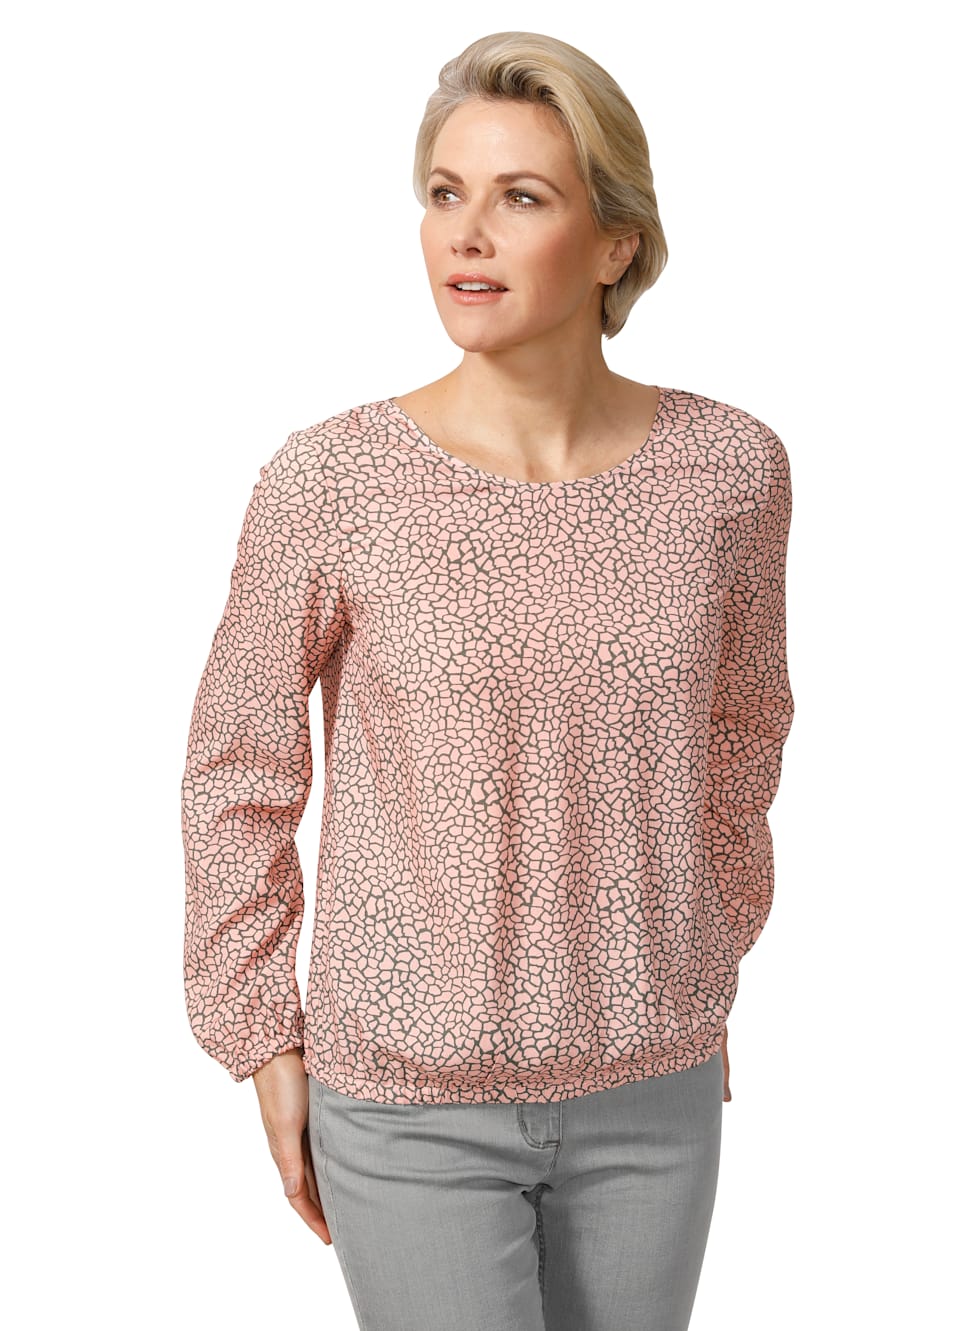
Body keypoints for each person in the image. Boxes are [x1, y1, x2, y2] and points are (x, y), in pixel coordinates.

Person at [180, 29, 795, 1331]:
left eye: (521, 198)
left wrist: (695, 973)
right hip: (409, 1102)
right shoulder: (334, 481)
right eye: (445, 194)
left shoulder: (730, 472)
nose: (467, 234)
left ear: (616, 242)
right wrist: (261, 1033)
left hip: (656, 1095)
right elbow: (238, 764)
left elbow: (744, 743)